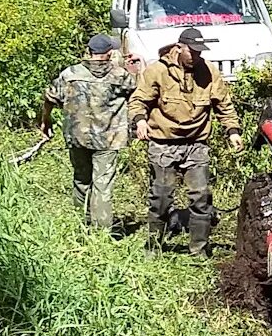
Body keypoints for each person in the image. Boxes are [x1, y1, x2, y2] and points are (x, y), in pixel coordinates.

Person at [129, 26, 244, 255]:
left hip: (196, 144)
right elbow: (138, 101)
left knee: (201, 198)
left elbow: (224, 105)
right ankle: (154, 248)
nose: (197, 56)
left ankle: (199, 252)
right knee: (161, 198)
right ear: (179, 48)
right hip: (163, 143)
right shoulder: (158, 71)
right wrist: (140, 121)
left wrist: (233, 131)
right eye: (192, 51)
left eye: (200, 52)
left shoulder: (209, 72)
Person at [40, 34, 136, 231]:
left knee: (81, 180)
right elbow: (139, 95)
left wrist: (45, 120)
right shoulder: (120, 76)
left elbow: (50, 98)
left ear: (90, 52)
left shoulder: (70, 74)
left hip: (77, 136)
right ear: (109, 53)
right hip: (109, 138)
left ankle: (81, 227)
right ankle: (101, 232)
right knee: (102, 185)